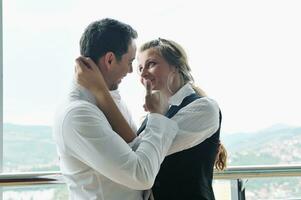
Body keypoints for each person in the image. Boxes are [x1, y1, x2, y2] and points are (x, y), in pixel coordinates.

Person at [76, 38, 227, 200]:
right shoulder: (153, 116)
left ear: (176, 66)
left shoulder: (204, 108)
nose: (142, 72)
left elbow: (138, 152)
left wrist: (101, 92)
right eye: (140, 68)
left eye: (151, 64)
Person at [53, 18, 180, 200]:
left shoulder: (108, 97)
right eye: (130, 62)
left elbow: (134, 146)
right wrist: (157, 116)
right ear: (110, 60)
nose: (130, 71)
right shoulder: (78, 114)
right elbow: (141, 176)